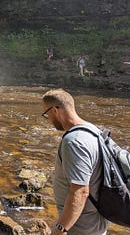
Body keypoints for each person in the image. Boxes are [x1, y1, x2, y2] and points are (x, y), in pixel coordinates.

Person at [41, 89, 108, 235]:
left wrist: (61, 228)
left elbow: (81, 191)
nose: (49, 120)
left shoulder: (74, 141)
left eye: (46, 115)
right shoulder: (94, 131)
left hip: (80, 228)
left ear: (55, 111)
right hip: (94, 222)